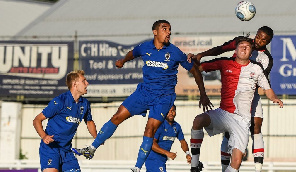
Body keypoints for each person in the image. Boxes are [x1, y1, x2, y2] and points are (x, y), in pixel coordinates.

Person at [71, 19, 213, 172]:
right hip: (144, 92)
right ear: (155, 32)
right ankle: (91, 149)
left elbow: (195, 71)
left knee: (149, 130)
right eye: (165, 29)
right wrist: (123, 61)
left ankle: (137, 168)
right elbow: (133, 53)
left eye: (170, 30)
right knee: (117, 116)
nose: (169, 32)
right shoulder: (145, 47)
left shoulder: (174, 52)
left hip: (163, 98)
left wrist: (203, 94)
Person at [189, 37, 283, 172]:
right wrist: (203, 94)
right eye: (241, 46)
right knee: (198, 120)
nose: (244, 48)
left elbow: (268, 90)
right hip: (223, 114)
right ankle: (194, 165)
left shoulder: (256, 68)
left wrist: (274, 98)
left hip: (242, 121)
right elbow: (197, 68)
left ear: (251, 53)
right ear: (235, 50)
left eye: (247, 47)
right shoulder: (224, 63)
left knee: (236, 162)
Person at [33, 70, 97, 172]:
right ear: (75, 84)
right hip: (51, 148)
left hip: (67, 151)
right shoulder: (60, 101)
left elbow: (89, 122)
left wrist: (97, 138)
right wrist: (44, 136)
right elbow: (37, 120)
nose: (87, 83)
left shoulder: (84, 104)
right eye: (84, 81)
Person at [145, 105, 191, 172]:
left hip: (162, 160)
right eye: (168, 111)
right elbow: (151, 144)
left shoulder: (177, 126)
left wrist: (187, 153)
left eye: (172, 111)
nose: (171, 113)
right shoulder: (160, 125)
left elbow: (182, 141)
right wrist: (167, 153)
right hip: (153, 159)